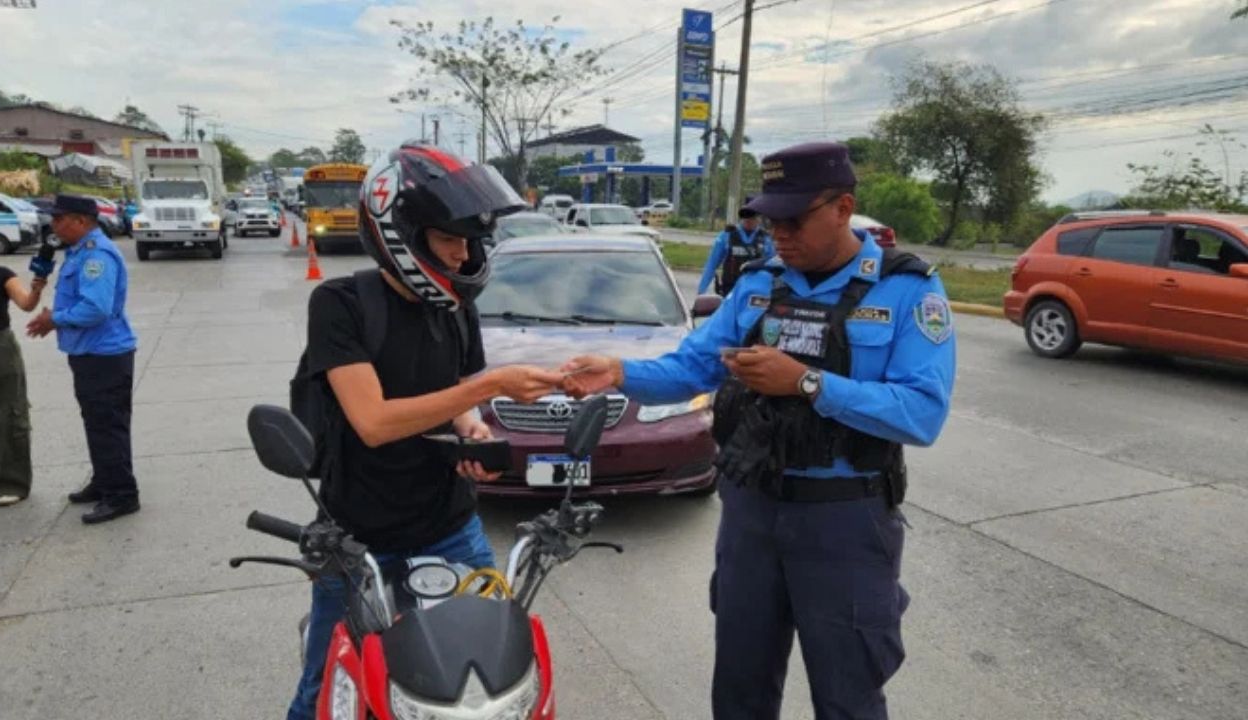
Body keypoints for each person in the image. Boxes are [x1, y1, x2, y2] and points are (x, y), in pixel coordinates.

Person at [562, 142, 957, 720]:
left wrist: (807, 384)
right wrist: (620, 373)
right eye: (771, 221)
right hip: (752, 515)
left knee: (849, 695)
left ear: (843, 207)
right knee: (740, 688)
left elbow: (922, 413)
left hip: (845, 521)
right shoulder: (757, 284)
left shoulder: (907, 290)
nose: (779, 235)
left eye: (794, 220)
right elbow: (692, 367)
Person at [286, 144, 565, 720]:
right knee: (327, 685)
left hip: (450, 524)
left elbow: (463, 396)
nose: (464, 257)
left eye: (470, 242)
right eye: (449, 240)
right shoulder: (340, 304)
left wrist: (472, 435)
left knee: (493, 667)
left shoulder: (454, 308)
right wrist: (486, 392)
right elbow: (374, 422)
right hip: (357, 536)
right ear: (401, 234)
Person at [25, 194, 140, 525]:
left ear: (80, 221)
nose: (54, 225)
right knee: (97, 421)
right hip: (89, 352)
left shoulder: (96, 256)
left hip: (105, 355)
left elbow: (96, 307)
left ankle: (121, 494)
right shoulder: (78, 251)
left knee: (108, 425)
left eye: (59, 219)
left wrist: (55, 319)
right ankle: (105, 480)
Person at [0, 219, 48, 507]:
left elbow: (26, 304)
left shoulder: (0, 274)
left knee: (10, 414)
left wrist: (37, 289)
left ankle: (13, 484)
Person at [697, 207, 775, 296]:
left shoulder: (766, 239)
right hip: (730, 289)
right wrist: (701, 291)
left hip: (755, 290)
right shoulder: (727, 235)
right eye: (746, 217)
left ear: (759, 218)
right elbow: (712, 263)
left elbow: (774, 266)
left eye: (752, 217)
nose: (749, 220)